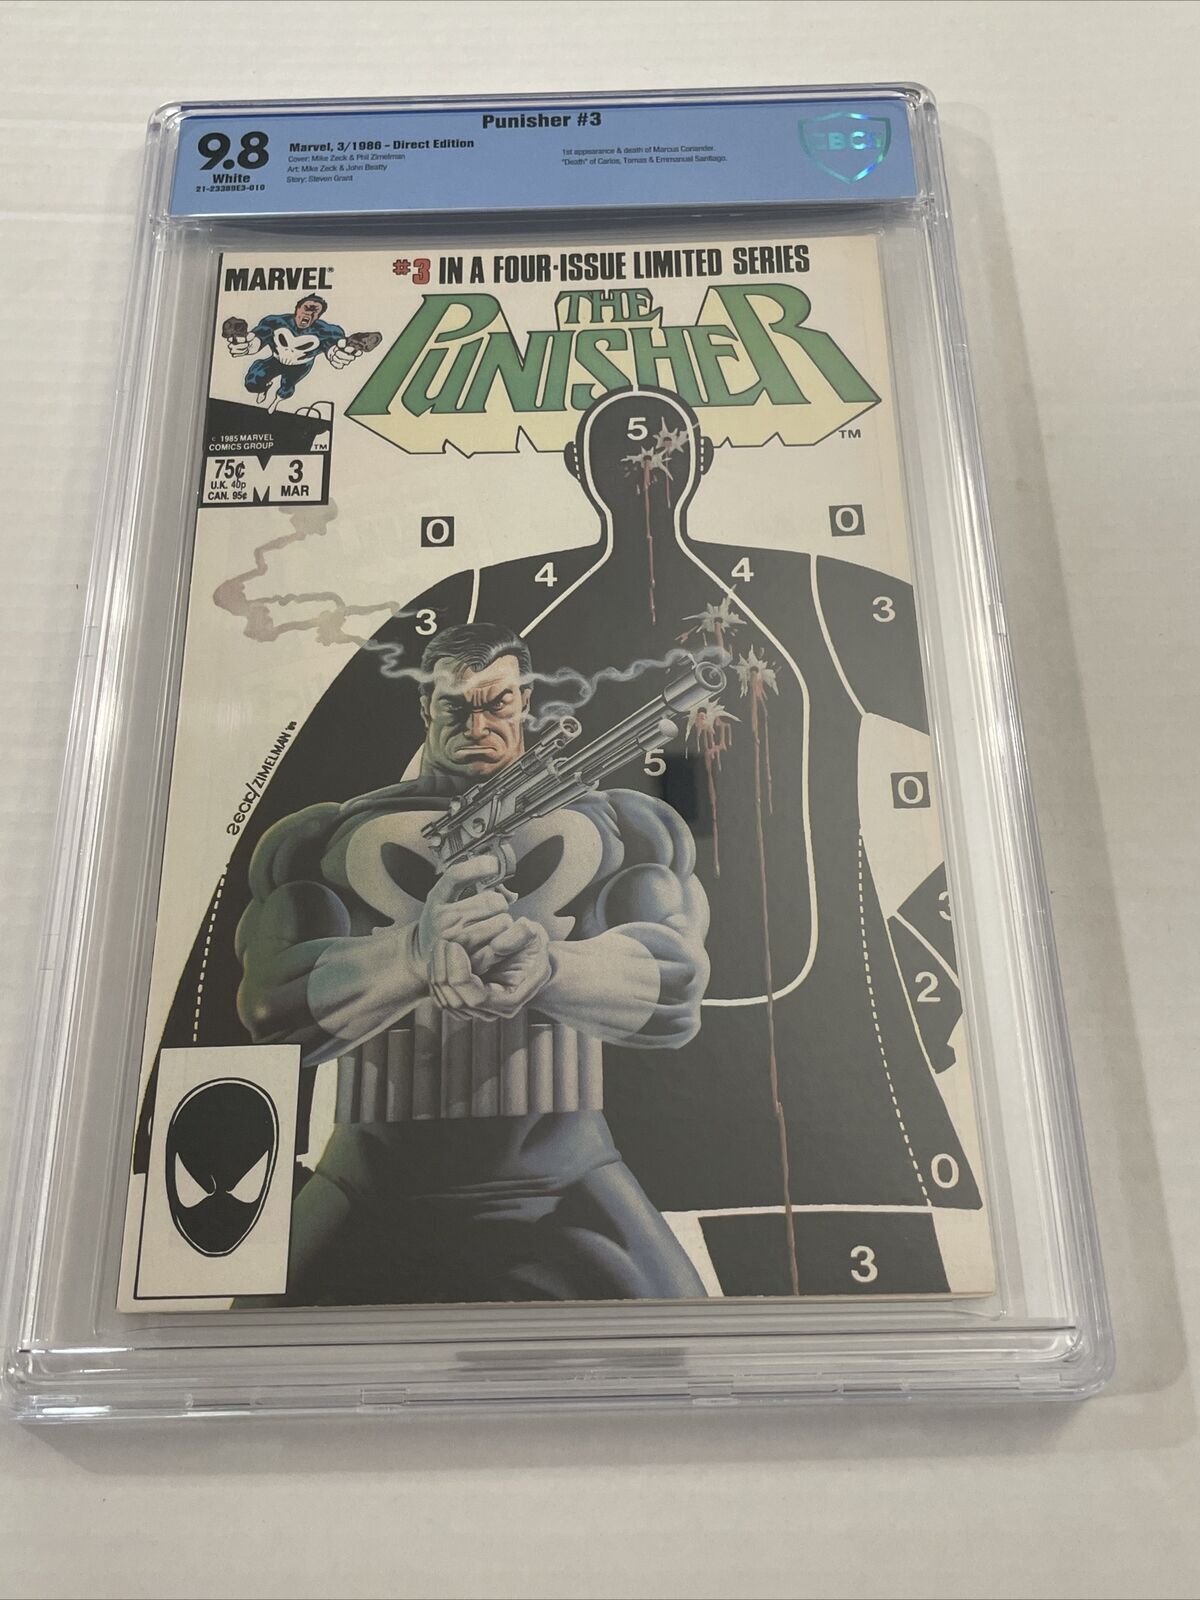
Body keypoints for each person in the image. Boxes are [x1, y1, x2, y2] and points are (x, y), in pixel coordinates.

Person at [235, 621, 711, 1304]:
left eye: (498, 704)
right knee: (239, 1341)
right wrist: (412, 956)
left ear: (526, 700)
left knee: (685, 1341)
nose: (478, 726)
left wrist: (551, 969)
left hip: (569, 1177)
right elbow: (270, 1015)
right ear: (425, 706)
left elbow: (677, 993)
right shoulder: (326, 837)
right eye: (455, 707)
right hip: (368, 1181)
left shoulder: (621, 827)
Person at [225, 294, 362, 411]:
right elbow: (261, 334)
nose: (309, 314)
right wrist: (249, 345)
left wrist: (337, 353)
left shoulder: (325, 331)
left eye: (315, 312)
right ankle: (264, 389)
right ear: (297, 309)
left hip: (300, 366)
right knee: (252, 382)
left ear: (318, 316)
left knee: (287, 387)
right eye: (307, 308)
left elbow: (333, 343)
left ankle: (276, 401)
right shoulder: (275, 322)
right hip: (276, 360)